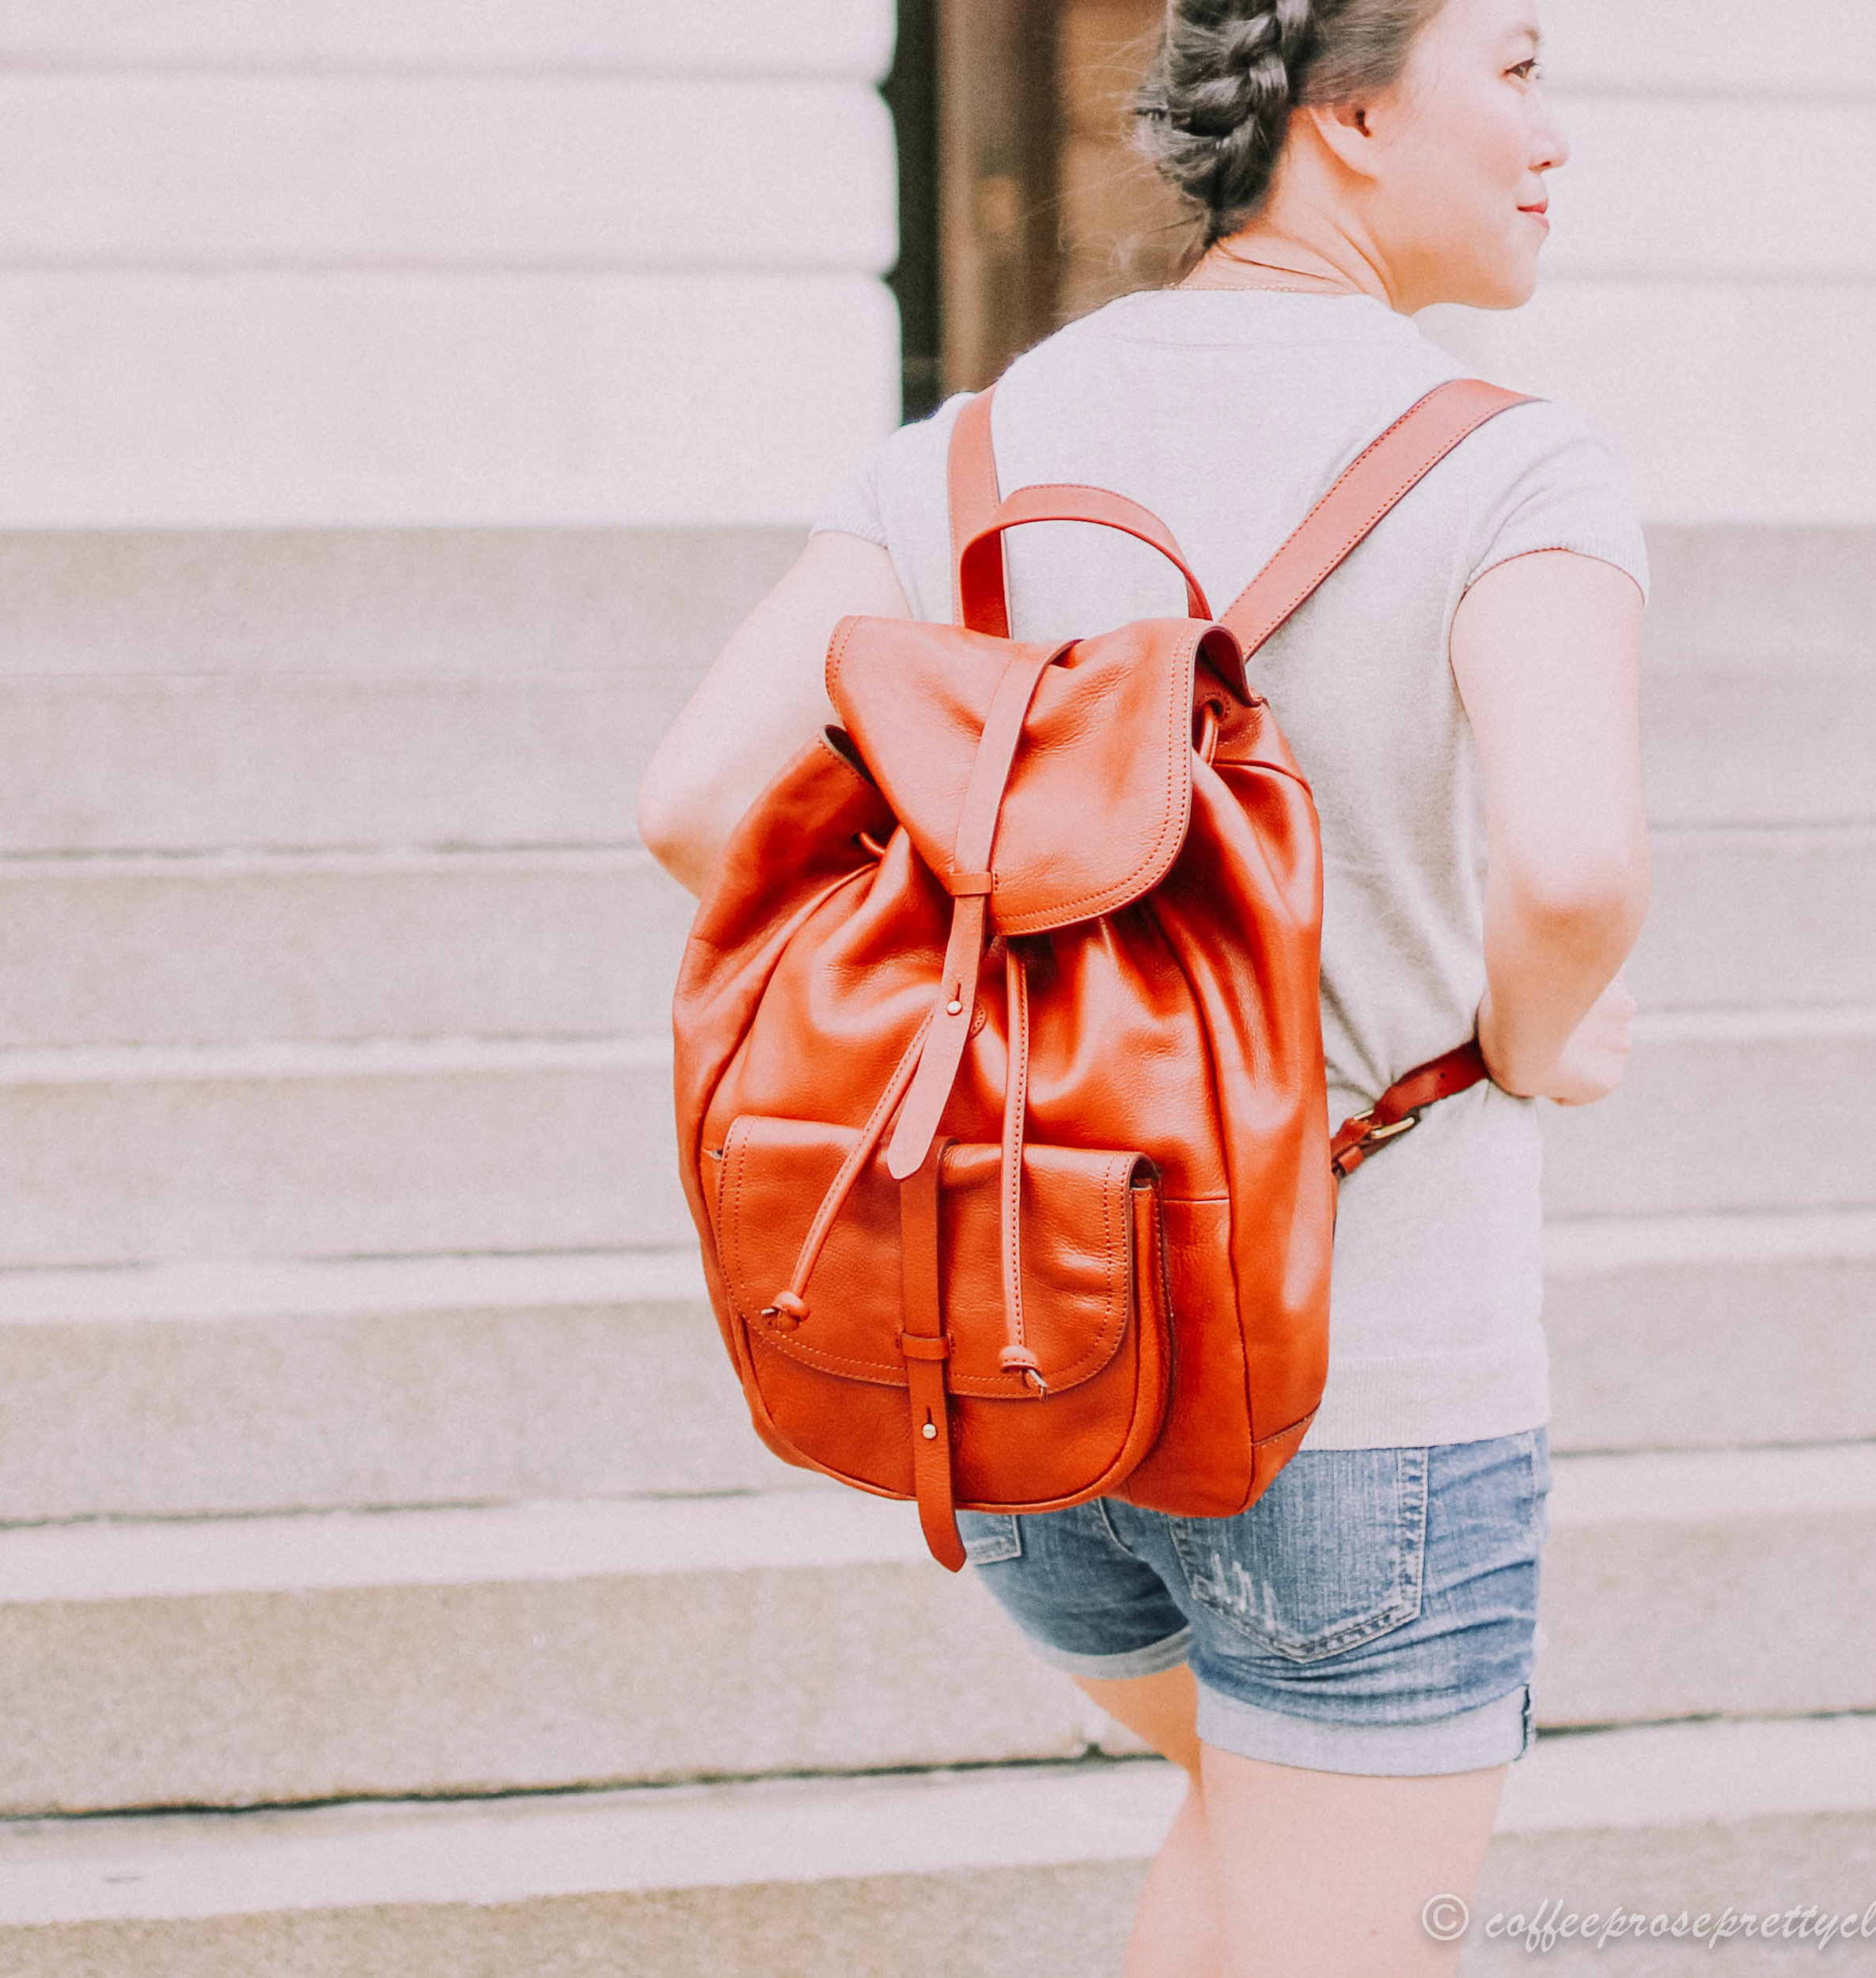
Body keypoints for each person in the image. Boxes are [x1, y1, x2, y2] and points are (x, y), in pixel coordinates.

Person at [639, 0, 1650, 1969]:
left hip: (1035, 1345)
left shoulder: (973, 450)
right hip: (1366, 1389)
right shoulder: (1510, 464)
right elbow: (1571, 863)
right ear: (1346, 113)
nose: (1553, 129)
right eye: (1513, 66)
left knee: (1248, 1846)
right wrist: (1538, 1038)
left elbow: (694, 803)